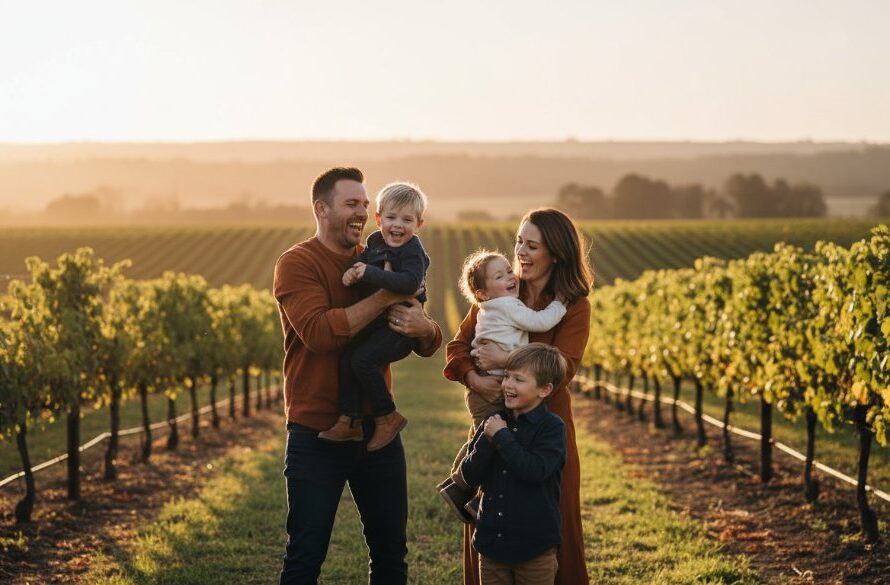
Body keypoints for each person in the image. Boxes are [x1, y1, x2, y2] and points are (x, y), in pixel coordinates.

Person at [273, 167, 442, 585]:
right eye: (352, 204)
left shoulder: (377, 257)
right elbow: (319, 333)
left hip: (378, 435)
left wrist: (428, 330)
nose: (361, 213)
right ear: (321, 208)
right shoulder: (297, 263)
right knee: (304, 557)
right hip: (317, 433)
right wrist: (388, 292)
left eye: (365, 205)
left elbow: (419, 325)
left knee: (390, 554)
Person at [444, 208, 593, 585]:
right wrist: (477, 380)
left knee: (551, 519)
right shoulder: (502, 289)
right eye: (518, 242)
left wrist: (505, 359)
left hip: (547, 428)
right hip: (495, 422)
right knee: (488, 515)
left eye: (532, 245)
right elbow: (459, 347)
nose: (521, 252)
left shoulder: (574, 305)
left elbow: (563, 365)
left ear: (555, 253)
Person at [438, 250, 566, 522]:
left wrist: (504, 359)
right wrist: (560, 304)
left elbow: (566, 364)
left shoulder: (490, 305)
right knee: (491, 441)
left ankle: (469, 493)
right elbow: (540, 321)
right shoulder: (508, 305)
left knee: (489, 440)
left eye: (509, 270)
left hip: (494, 386)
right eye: (500, 275)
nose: (511, 276)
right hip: (490, 388)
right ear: (482, 293)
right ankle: (466, 491)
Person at [318, 182, 430, 452]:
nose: (397, 226)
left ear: (419, 224)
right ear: (379, 219)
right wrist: (355, 274)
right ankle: (349, 420)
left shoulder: (413, 251)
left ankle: (387, 416)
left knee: (363, 360)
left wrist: (367, 274)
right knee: (348, 357)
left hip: (399, 329)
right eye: (391, 217)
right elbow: (365, 270)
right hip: (379, 324)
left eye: (407, 220)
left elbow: (408, 283)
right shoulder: (375, 242)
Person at [459, 343, 567, 585]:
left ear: (544, 389)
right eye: (507, 376)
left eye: (518, 379)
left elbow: (535, 471)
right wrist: (487, 440)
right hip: (492, 546)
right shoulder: (493, 421)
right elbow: (469, 476)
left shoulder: (551, 428)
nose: (508, 384)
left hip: (534, 549)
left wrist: (501, 437)